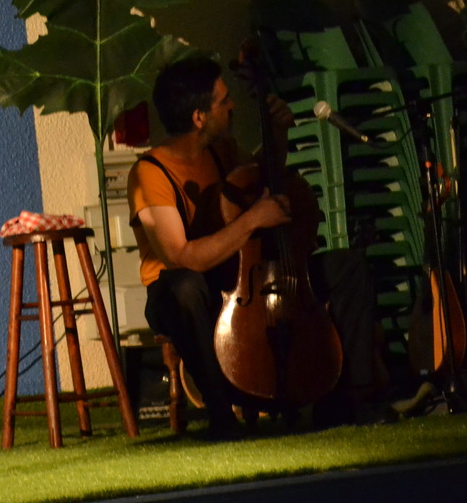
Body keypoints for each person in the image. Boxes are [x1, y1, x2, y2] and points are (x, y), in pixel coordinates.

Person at [127, 56, 380, 438]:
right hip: (181, 288)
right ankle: (220, 414)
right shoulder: (150, 173)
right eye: (223, 101)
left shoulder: (221, 151)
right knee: (185, 287)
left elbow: (258, 181)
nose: (232, 107)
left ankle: (352, 399)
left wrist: (277, 134)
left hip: (240, 272)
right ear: (199, 117)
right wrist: (251, 221)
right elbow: (181, 256)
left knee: (346, 265)